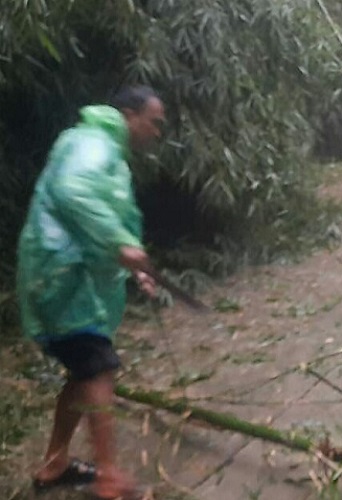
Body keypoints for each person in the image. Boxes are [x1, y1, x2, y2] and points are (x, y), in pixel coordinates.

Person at [17, 85, 165, 500]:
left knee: (83, 373)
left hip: (72, 281)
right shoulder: (92, 143)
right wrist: (120, 243)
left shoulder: (106, 151)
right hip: (61, 279)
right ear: (130, 115)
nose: (156, 132)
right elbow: (72, 191)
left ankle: (55, 464)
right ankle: (109, 479)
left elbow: (112, 213)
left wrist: (135, 268)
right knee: (99, 369)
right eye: (154, 123)